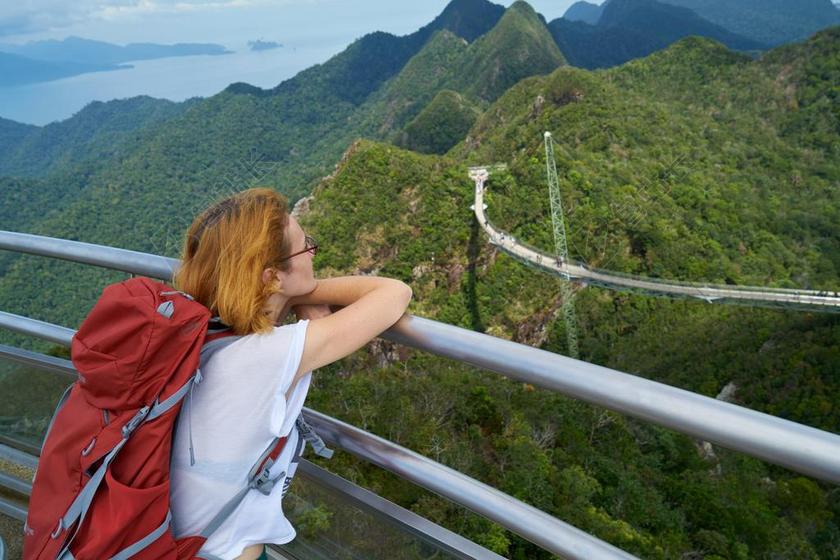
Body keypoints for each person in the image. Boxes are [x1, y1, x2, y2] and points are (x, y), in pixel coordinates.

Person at [168, 187, 413, 560]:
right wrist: (306, 293)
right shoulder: (264, 356)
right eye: (305, 247)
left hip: (179, 542)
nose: (313, 251)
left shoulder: (201, 331)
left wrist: (289, 293)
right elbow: (394, 293)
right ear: (271, 277)